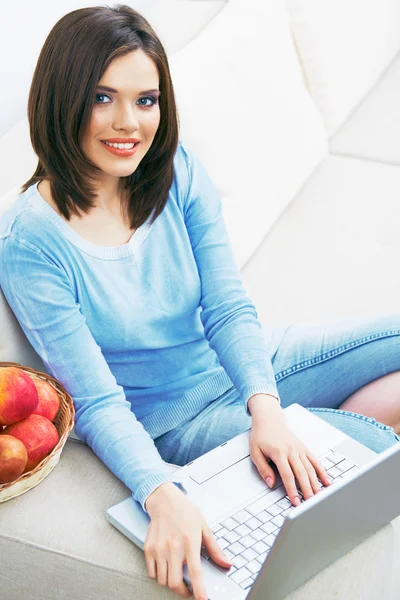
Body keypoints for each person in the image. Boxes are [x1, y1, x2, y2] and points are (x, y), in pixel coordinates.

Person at [0, 5, 399, 600]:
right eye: (103, 98)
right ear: (62, 99)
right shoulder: (31, 243)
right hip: (178, 423)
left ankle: (311, 419)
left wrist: (267, 410)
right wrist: (162, 494)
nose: (129, 123)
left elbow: (228, 306)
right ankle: (330, 424)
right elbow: (99, 403)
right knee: (375, 459)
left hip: (248, 368)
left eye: (145, 100)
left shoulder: (175, 168)